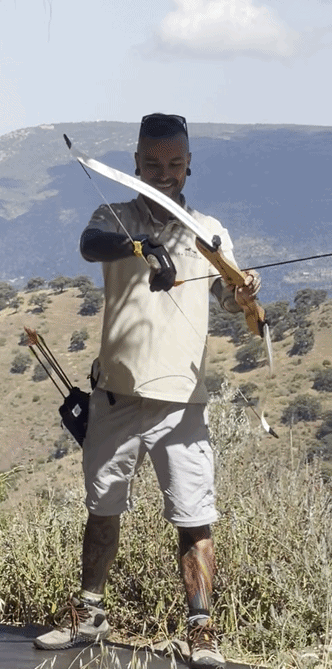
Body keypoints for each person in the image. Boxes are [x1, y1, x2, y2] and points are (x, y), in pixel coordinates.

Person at [33, 113, 261, 669]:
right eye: (153, 163)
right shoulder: (112, 218)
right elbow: (91, 245)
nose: (163, 174)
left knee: (193, 518)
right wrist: (140, 247)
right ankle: (90, 617)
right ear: (136, 163)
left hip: (183, 402)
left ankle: (201, 633)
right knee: (102, 509)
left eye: (174, 164)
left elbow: (242, 307)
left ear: (188, 166)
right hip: (116, 395)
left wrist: (247, 288)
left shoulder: (208, 232)